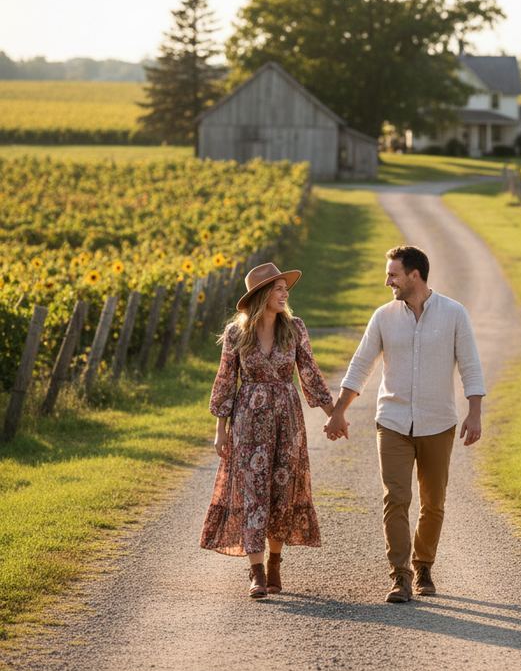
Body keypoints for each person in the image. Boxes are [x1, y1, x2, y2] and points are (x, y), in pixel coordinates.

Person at [324, 245, 485, 603]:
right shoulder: (383, 317)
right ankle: (400, 575)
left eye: (393, 274)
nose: (387, 281)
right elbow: (361, 364)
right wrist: (339, 410)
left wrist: (474, 413)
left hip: (438, 422)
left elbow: (471, 365)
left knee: (433, 502)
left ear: (415, 275)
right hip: (392, 421)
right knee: (396, 499)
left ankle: (424, 564)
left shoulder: (454, 314)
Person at [200, 262, 334, 599]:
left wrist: (335, 415)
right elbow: (226, 382)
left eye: (284, 288)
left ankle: (275, 563)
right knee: (253, 492)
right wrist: (220, 430)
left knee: (281, 492)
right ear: (262, 295)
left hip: (287, 420)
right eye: (277, 288)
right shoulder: (236, 334)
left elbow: (311, 376)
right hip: (248, 422)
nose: (284, 293)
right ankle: (256, 572)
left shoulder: (295, 328)